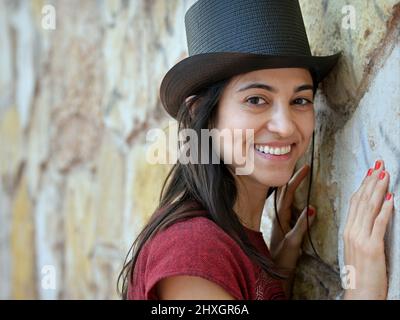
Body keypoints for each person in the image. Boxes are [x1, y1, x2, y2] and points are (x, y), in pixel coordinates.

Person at [118, 0, 394, 300]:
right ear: (203, 114)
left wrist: (278, 269)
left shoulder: (234, 237)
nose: (285, 127)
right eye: (256, 99)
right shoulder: (193, 252)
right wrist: (363, 293)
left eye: (300, 100)